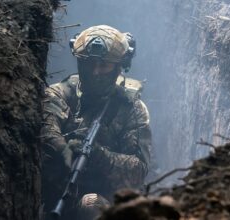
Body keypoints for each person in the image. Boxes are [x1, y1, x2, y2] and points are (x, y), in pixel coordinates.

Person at [40, 25, 152, 220]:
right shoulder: (60, 94)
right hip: (54, 196)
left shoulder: (131, 109)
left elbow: (138, 171)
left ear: (118, 66)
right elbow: (46, 127)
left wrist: (98, 156)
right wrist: (63, 149)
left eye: (104, 65)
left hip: (105, 203)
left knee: (91, 205)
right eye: (89, 63)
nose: (95, 72)